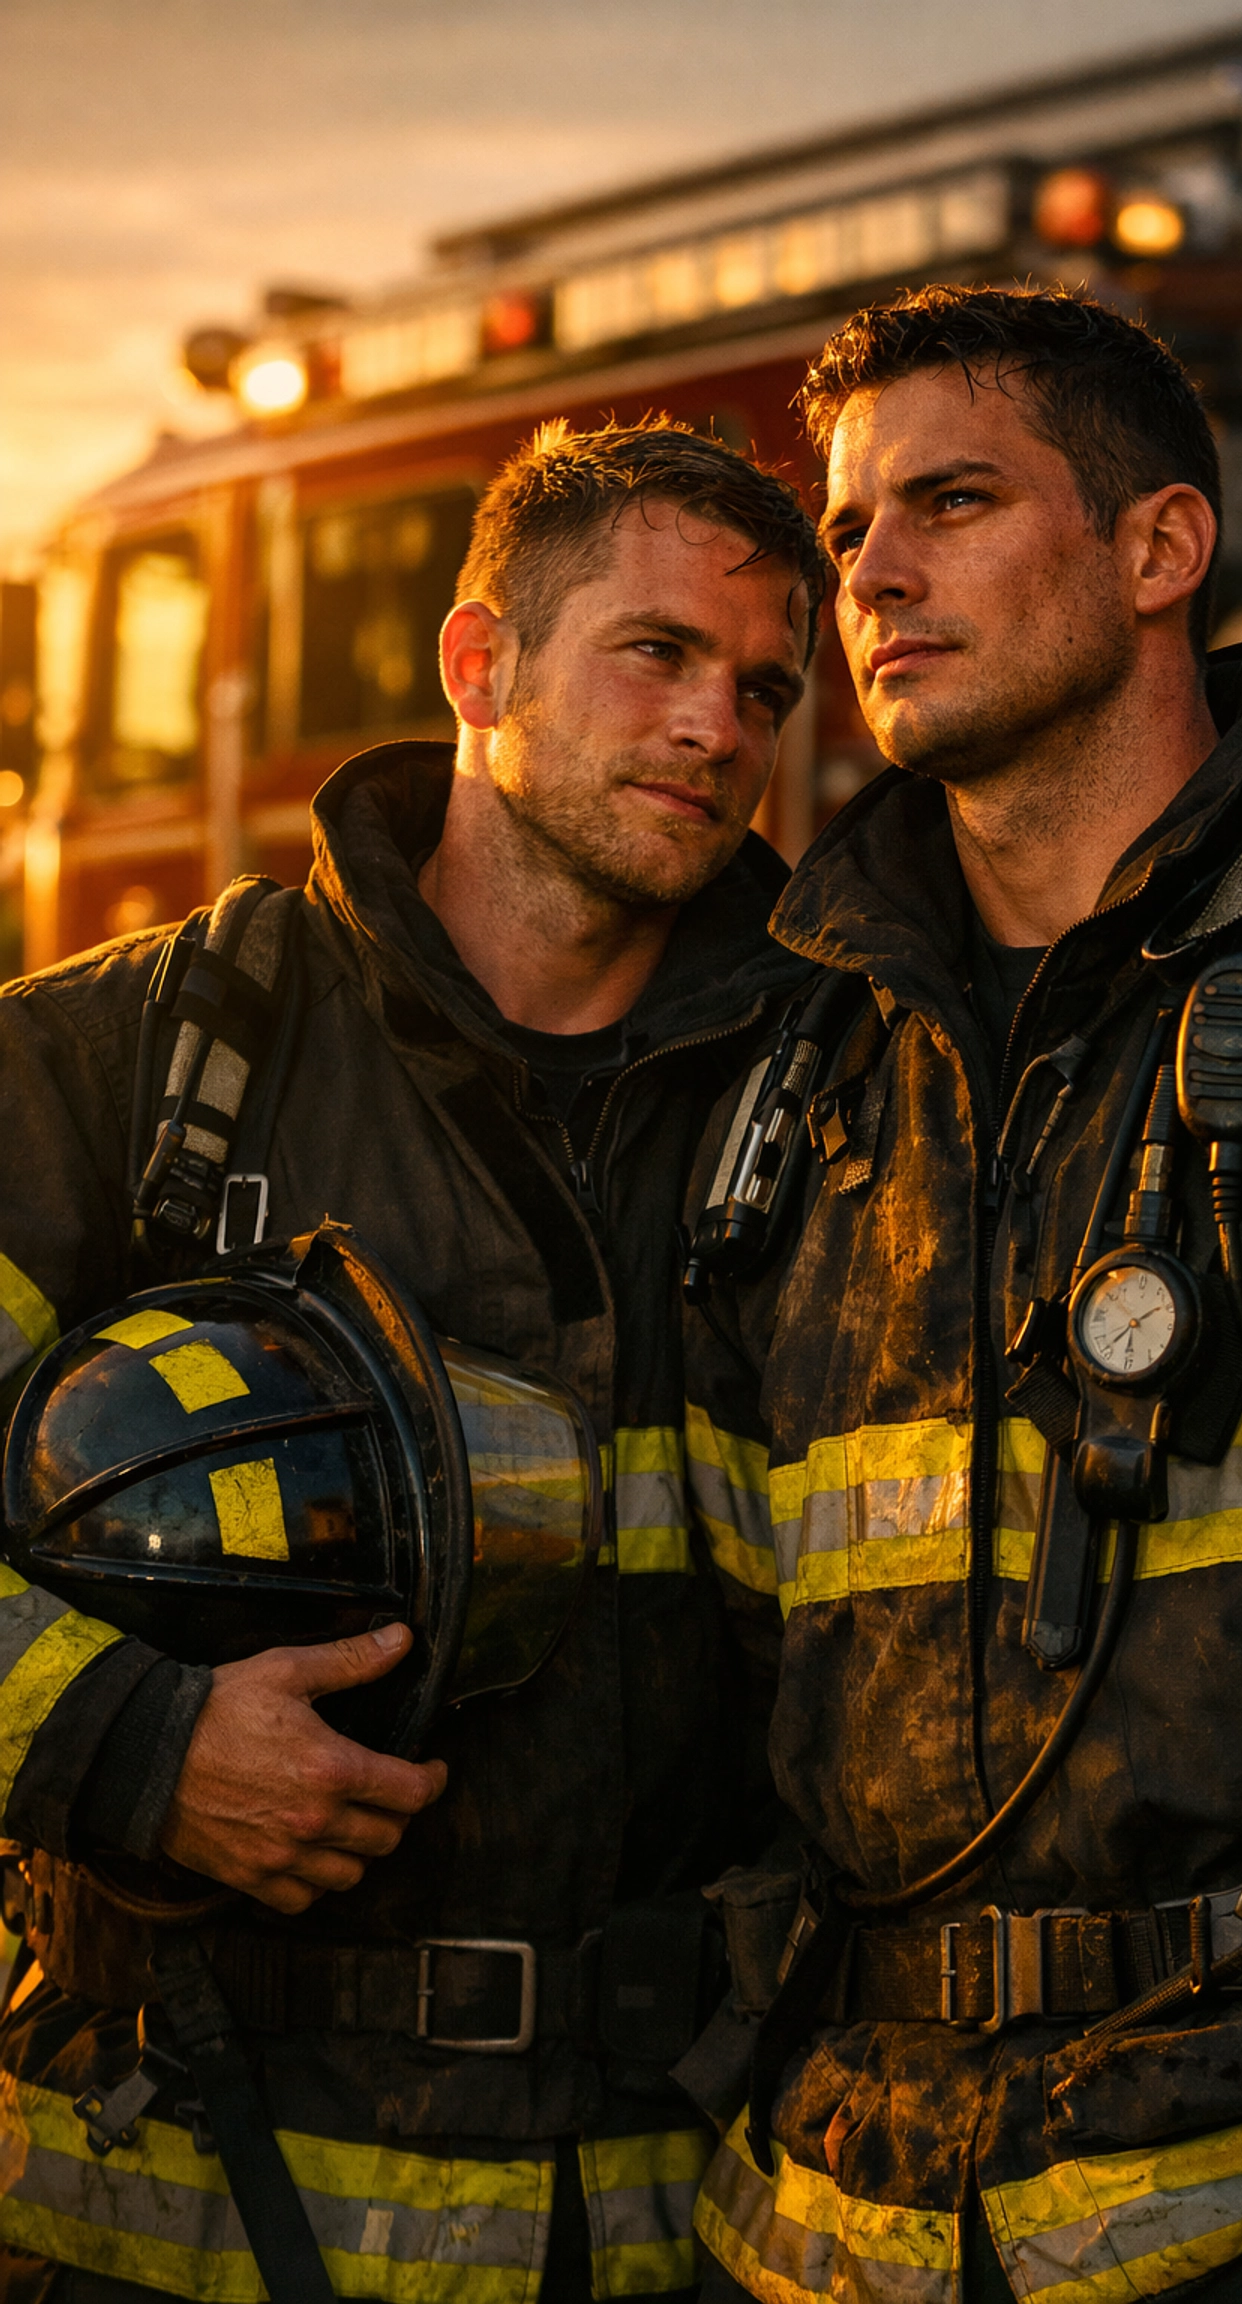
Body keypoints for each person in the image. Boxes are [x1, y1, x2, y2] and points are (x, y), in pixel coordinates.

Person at [682, 288, 1242, 2304]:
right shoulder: (801, 1069)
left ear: (1159, 551)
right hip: (823, 2229)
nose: (872, 574)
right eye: (847, 532)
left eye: (952, 502)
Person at [0, 416, 823, 2301]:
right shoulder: (132, 1065)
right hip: (183, 2211)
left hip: (670, 2227)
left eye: (765, 686)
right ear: (480, 665)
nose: (720, 728)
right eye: (658, 654)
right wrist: (127, 1743)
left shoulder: (845, 1094)